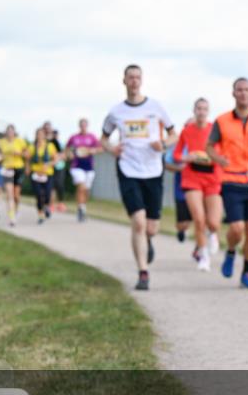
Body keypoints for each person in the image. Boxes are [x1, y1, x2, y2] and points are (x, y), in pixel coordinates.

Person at [101, 64, 176, 291]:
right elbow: (103, 138)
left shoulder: (156, 107)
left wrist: (162, 143)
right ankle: (143, 272)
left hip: (153, 170)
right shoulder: (116, 112)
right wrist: (112, 148)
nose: (134, 81)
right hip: (128, 169)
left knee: (151, 227)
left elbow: (174, 134)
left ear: (141, 81)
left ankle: (148, 241)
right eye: (130, 77)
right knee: (138, 222)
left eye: (137, 77)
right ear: (124, 81)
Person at [207, 77, 248, 289]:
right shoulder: (222, 120)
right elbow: (209, 146)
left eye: (246, 90)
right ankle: (231, 251)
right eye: (239, 90)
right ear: (233, 93)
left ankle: (246, 272)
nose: (243, 93)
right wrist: (218, 159)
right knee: (236, 228)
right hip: (232, 180)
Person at [174, 98, 224, 271]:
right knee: (198, 218)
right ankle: (203, 256)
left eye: (204, 109)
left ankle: (214, 234)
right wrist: (186, 157)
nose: (201, 112)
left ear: (208, 111)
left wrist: (211, 157)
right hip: (191, 177)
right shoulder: (187, 131)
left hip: (211, 177)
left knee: (214, 222)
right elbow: (177, 154)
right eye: (198, 109)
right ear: (194, 111)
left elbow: (223, 152)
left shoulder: (214, 130)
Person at [66, 119, 100, 222]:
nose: (83, 127)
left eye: (85, 125)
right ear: (79, 126)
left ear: (87, 126)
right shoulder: (74, 137)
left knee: (86, 190)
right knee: (81, 187)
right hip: (77, 166)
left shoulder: (92, 137)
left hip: (89, 166)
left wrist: (93, 150)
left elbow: (100, 148)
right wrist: (69, 154)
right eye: (81, 125)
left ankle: (83, 207)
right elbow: (67, 149)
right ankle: (80, 208)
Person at [27, 127, 61, 224]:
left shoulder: (50, 146)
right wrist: (27, 167)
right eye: (38, 134)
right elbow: (28, 158)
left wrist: (48, 164)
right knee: (38, 194)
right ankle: (40, 214)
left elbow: (56, 159)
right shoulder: (32, 146)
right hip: (36, 174)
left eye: (42, 134)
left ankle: (46, 206)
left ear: (44, 135)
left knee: (47, 194)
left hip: (47, 174)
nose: (40, 136)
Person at [0, 125, 28, 226]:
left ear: (14, 132)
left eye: (12, 131)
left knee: (16, 195)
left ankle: (16, 209)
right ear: (6, 132)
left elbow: (27, 154)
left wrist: (19, 153)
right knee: (9, 193)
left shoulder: (20, 141)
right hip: (7, 169)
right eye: (8, 131)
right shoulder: (1, 142)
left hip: (18, 168)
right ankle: (12, 217)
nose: (10, 133)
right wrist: (1, 156)